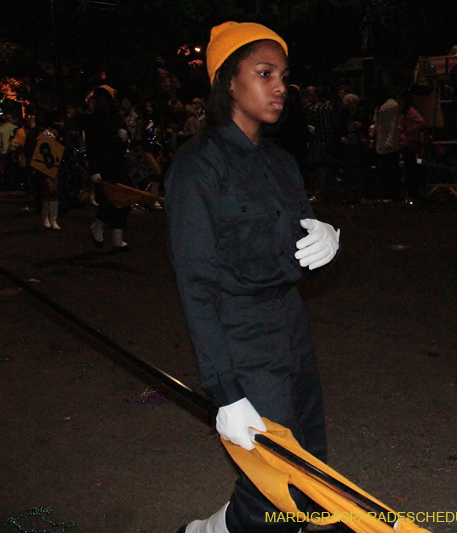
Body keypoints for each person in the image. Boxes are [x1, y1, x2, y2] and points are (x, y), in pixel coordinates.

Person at [164, 21, 341, 533]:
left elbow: (300, 242)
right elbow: (195, 286)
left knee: (308, 464)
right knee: (275, 488)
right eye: (265, 73)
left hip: (290, 326)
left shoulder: (281, 162)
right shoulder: (198, 167)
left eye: (284, 75)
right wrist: (225, 391)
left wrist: (329, 238)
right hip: (240, 335)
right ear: (228, 83)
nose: (281, 86)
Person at [84, 85, 132, 250]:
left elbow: (123, 143)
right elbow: (91, 146)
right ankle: (98, 225)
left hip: (118, 163)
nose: (102, 101)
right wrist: (93, 169)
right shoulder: (92, 120)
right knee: (108, 200)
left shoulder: (117, 119)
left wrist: (124, 138)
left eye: (105, 97)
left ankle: (117, 238)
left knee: (122, 199)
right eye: (99, 97)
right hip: (102, 165)